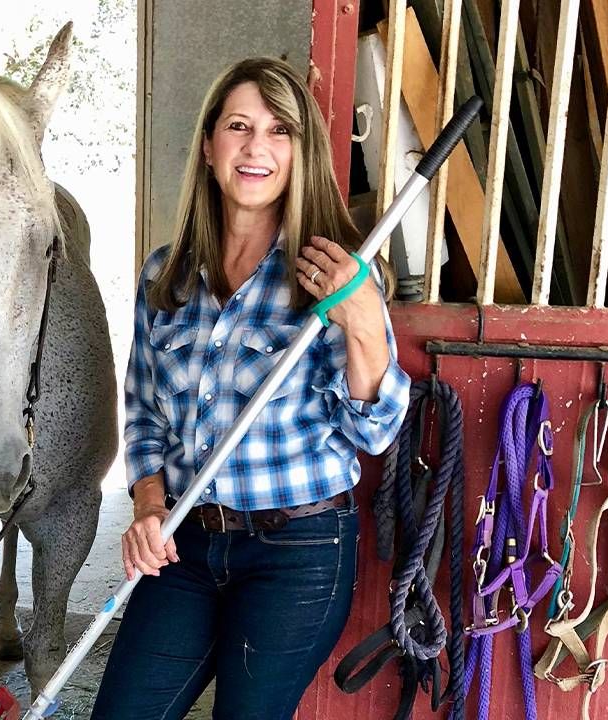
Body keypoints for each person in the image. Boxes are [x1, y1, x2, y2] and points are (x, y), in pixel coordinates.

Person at [90, 57, 411, 719]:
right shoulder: (167, 277)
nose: (256, 146)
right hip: (186, 544)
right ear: (210, 146)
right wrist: (148, 508)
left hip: (298, 553)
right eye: (239, 126)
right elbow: (145, 416)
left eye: (278, 130)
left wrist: (364, 327)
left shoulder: (333, 273)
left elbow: (374, 433)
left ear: (299, 152)